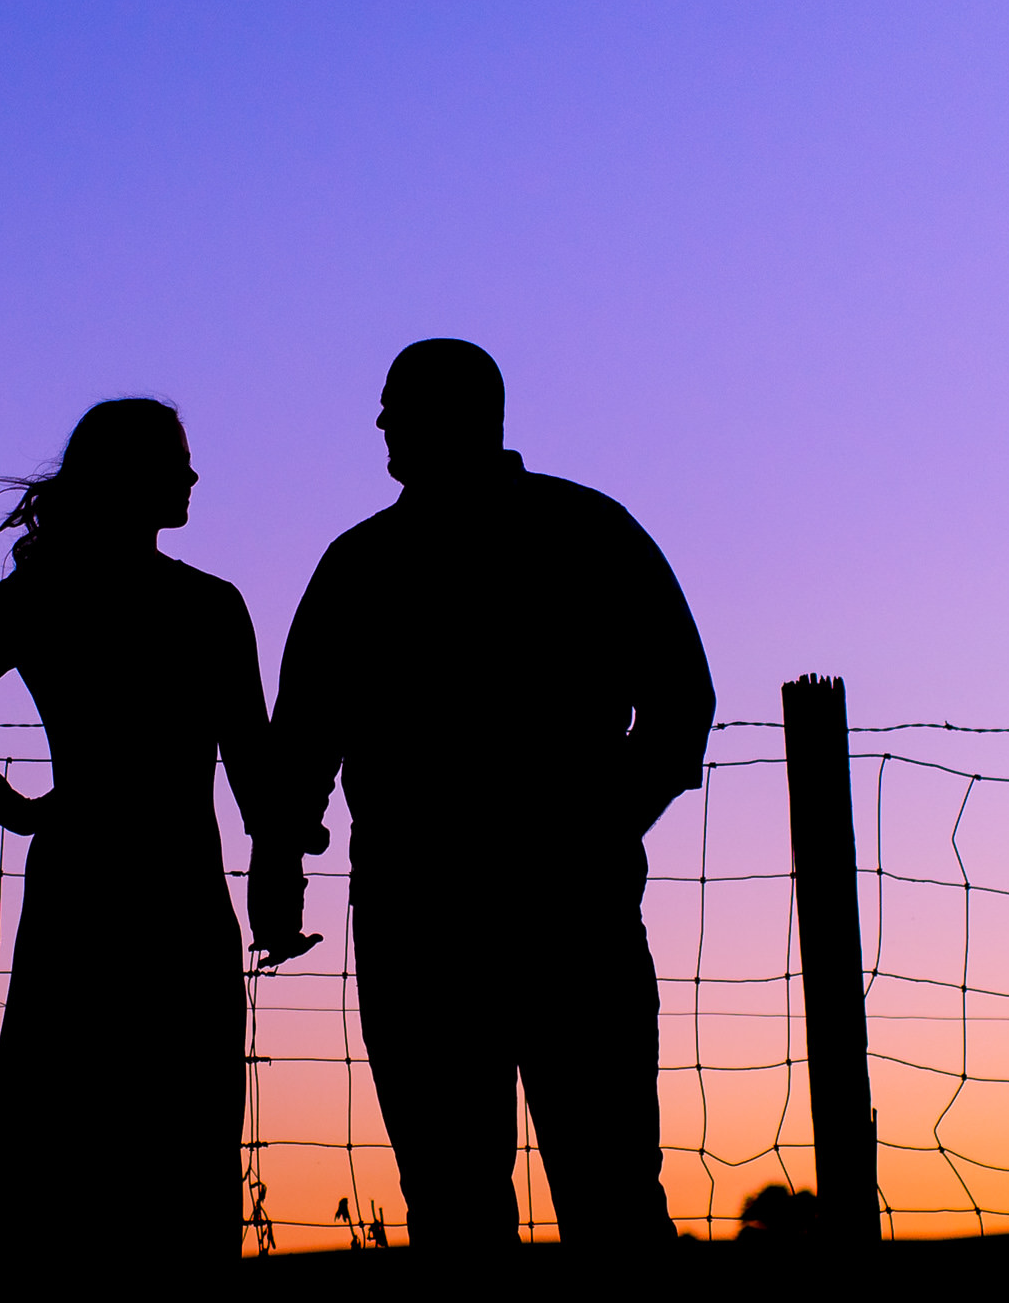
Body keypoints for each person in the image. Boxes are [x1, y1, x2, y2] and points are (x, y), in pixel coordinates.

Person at [257, 340, 713, 1250]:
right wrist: (280, 857)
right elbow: (303, 736)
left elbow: (679, 704)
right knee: (466, 1191)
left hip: (544, 914)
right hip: (432, 918)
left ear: (464, 412)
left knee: (604, 1183)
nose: (381, 423)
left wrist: (601, 827)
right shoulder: (369, 561)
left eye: (397, 404)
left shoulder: (577, 533)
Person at [0, 398, 282, 1279]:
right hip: (179, 891)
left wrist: (25, 811)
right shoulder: (206, 607)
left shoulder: (37, 598)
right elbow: (252, 765)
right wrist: (281, 856)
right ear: (132, 476)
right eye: (176, 462)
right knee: (181, 1133)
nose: (192, 478)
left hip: (80, 885)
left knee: (58, 1121)